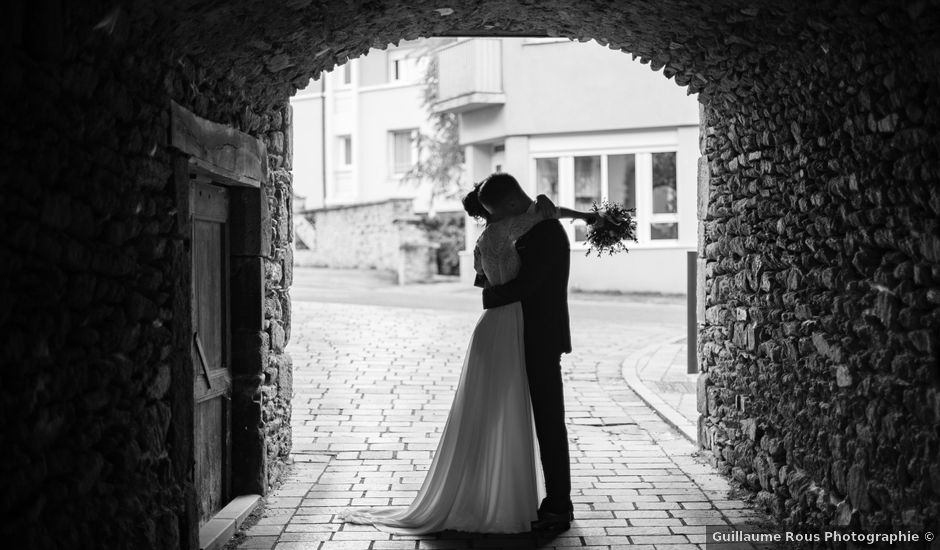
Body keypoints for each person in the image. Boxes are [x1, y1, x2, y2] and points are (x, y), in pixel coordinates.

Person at [340, 173, 593, 535]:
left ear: (508, 204)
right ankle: (485, 495)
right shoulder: (513, 228)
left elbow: (526, 284)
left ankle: (557, 503)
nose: (492, 219)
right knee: (491, 414)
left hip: (538, 335)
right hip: (508, 332)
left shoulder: (546, 230)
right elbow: (493, 276)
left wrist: (490, 296)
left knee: (548, 420)